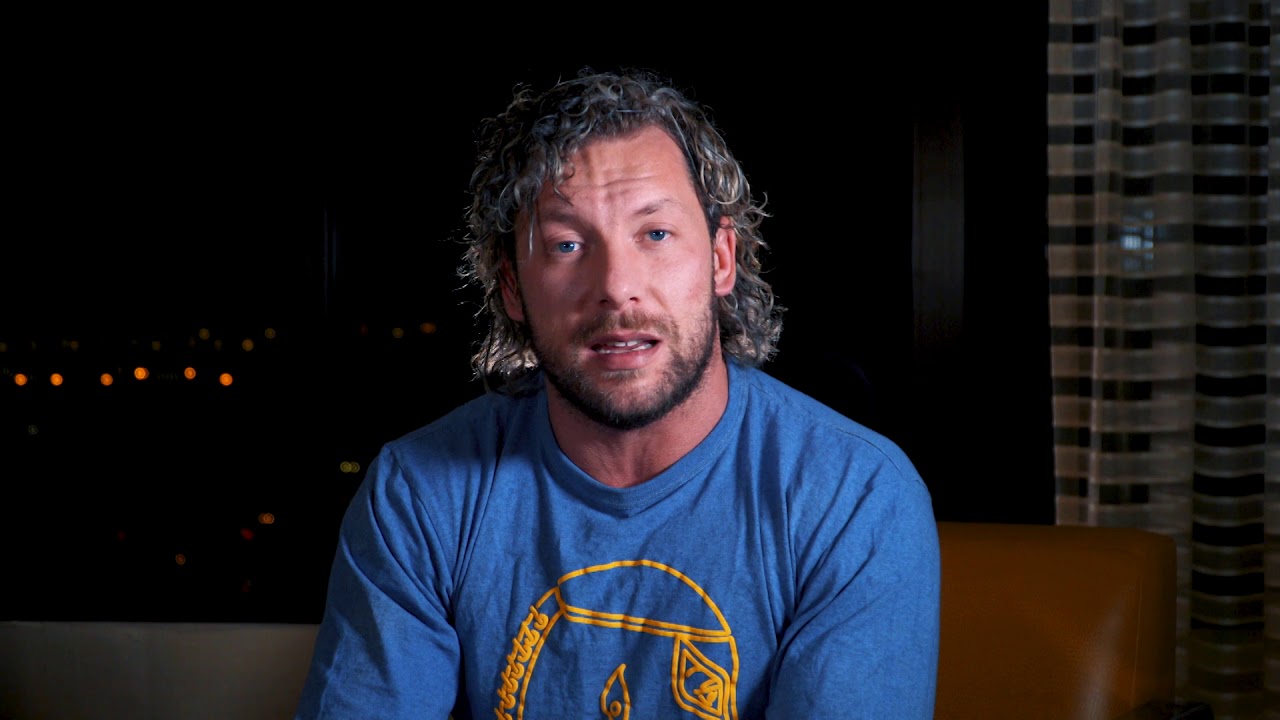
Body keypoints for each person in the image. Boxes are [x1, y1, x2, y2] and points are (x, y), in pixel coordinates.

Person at [295, 67, 940, 719]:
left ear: (721, 259)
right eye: (567, 244)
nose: (616, 286)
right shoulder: (418, 493)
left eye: (655, 234)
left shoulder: (855, 498)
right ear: (513, 287)